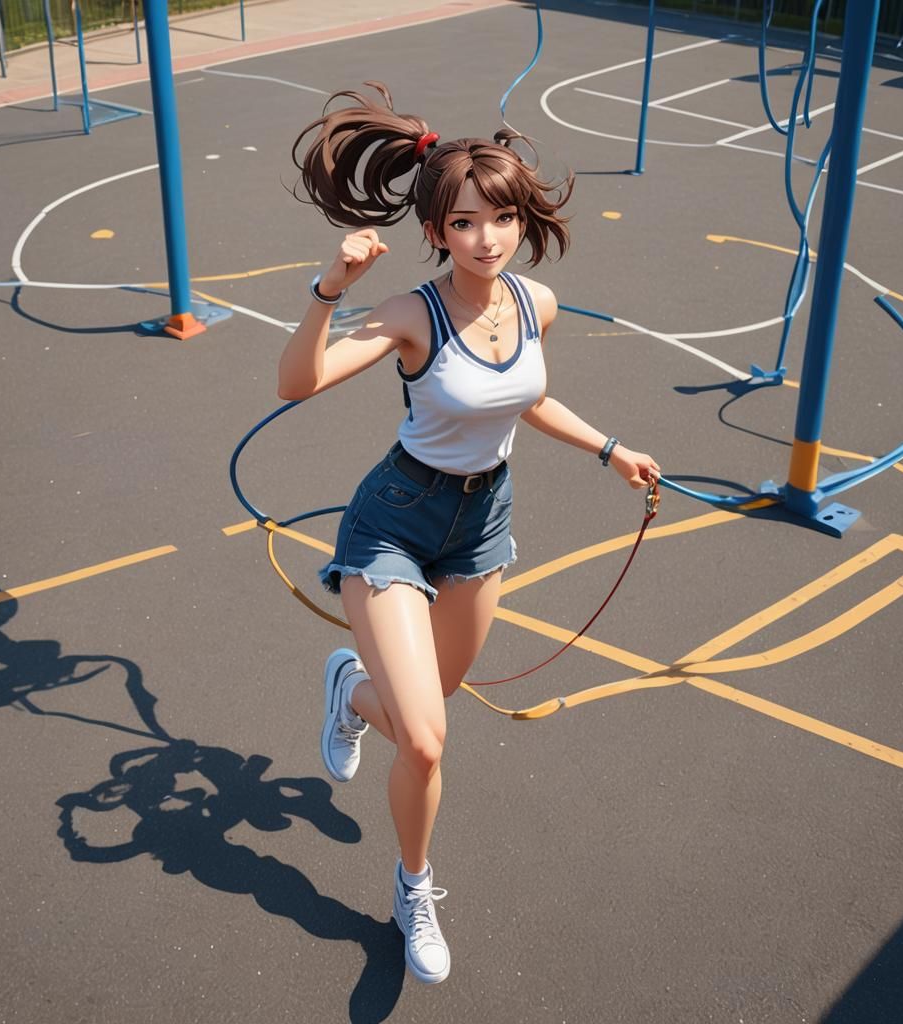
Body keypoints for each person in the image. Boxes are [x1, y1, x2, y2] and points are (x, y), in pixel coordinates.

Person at [278, 82, 660, 985]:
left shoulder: (536, 304)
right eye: (462, 223)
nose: (484, 237)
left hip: (484, 522)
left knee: (427, 713)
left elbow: (527, 400)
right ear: (437, 232)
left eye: (498, 218)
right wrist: (329, 289)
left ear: (521, 219)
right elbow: (297, 385)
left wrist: (609, 447)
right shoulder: (416, 313)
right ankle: (415, 887)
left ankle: (347, 686)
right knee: (427, 742)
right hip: (396, 522)